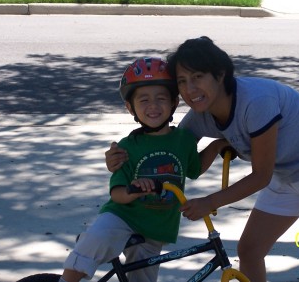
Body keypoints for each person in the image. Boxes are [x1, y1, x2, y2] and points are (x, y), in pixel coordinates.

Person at [105, 37, 299, 282]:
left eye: (198, 77)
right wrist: (120, 159)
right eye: (182, 81)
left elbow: (261, 176)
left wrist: (210, 201)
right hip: (288, 173)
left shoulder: (256, 102)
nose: (190, 89)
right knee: (249, 250)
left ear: (220, 74)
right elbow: (164, 149)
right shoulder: (201, 115)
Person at [61, 57, 226, 282]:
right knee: (95, 240)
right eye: (144, 100)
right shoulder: (127, 147)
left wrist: (217, 145)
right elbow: (117, 195)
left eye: (161, 98)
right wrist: (134, 190)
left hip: (156, 228)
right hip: (123, 217)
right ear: (131, 108)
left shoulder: (184, 140)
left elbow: (194, 169)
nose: (153, 106)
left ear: (174, 103)